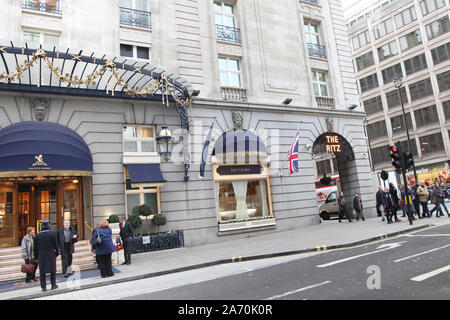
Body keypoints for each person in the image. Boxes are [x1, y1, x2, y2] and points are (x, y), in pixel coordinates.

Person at [33, 220, 59, 292]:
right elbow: (56, 246)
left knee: (42, 272)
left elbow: (35, 248)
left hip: (41, 256)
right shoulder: (52, 234)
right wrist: (56, 253)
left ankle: (43, 287)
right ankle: (53, 285)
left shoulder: (37, 236)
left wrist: (36, 257)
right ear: (48, 226)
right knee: (52, 270)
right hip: (51, 254)